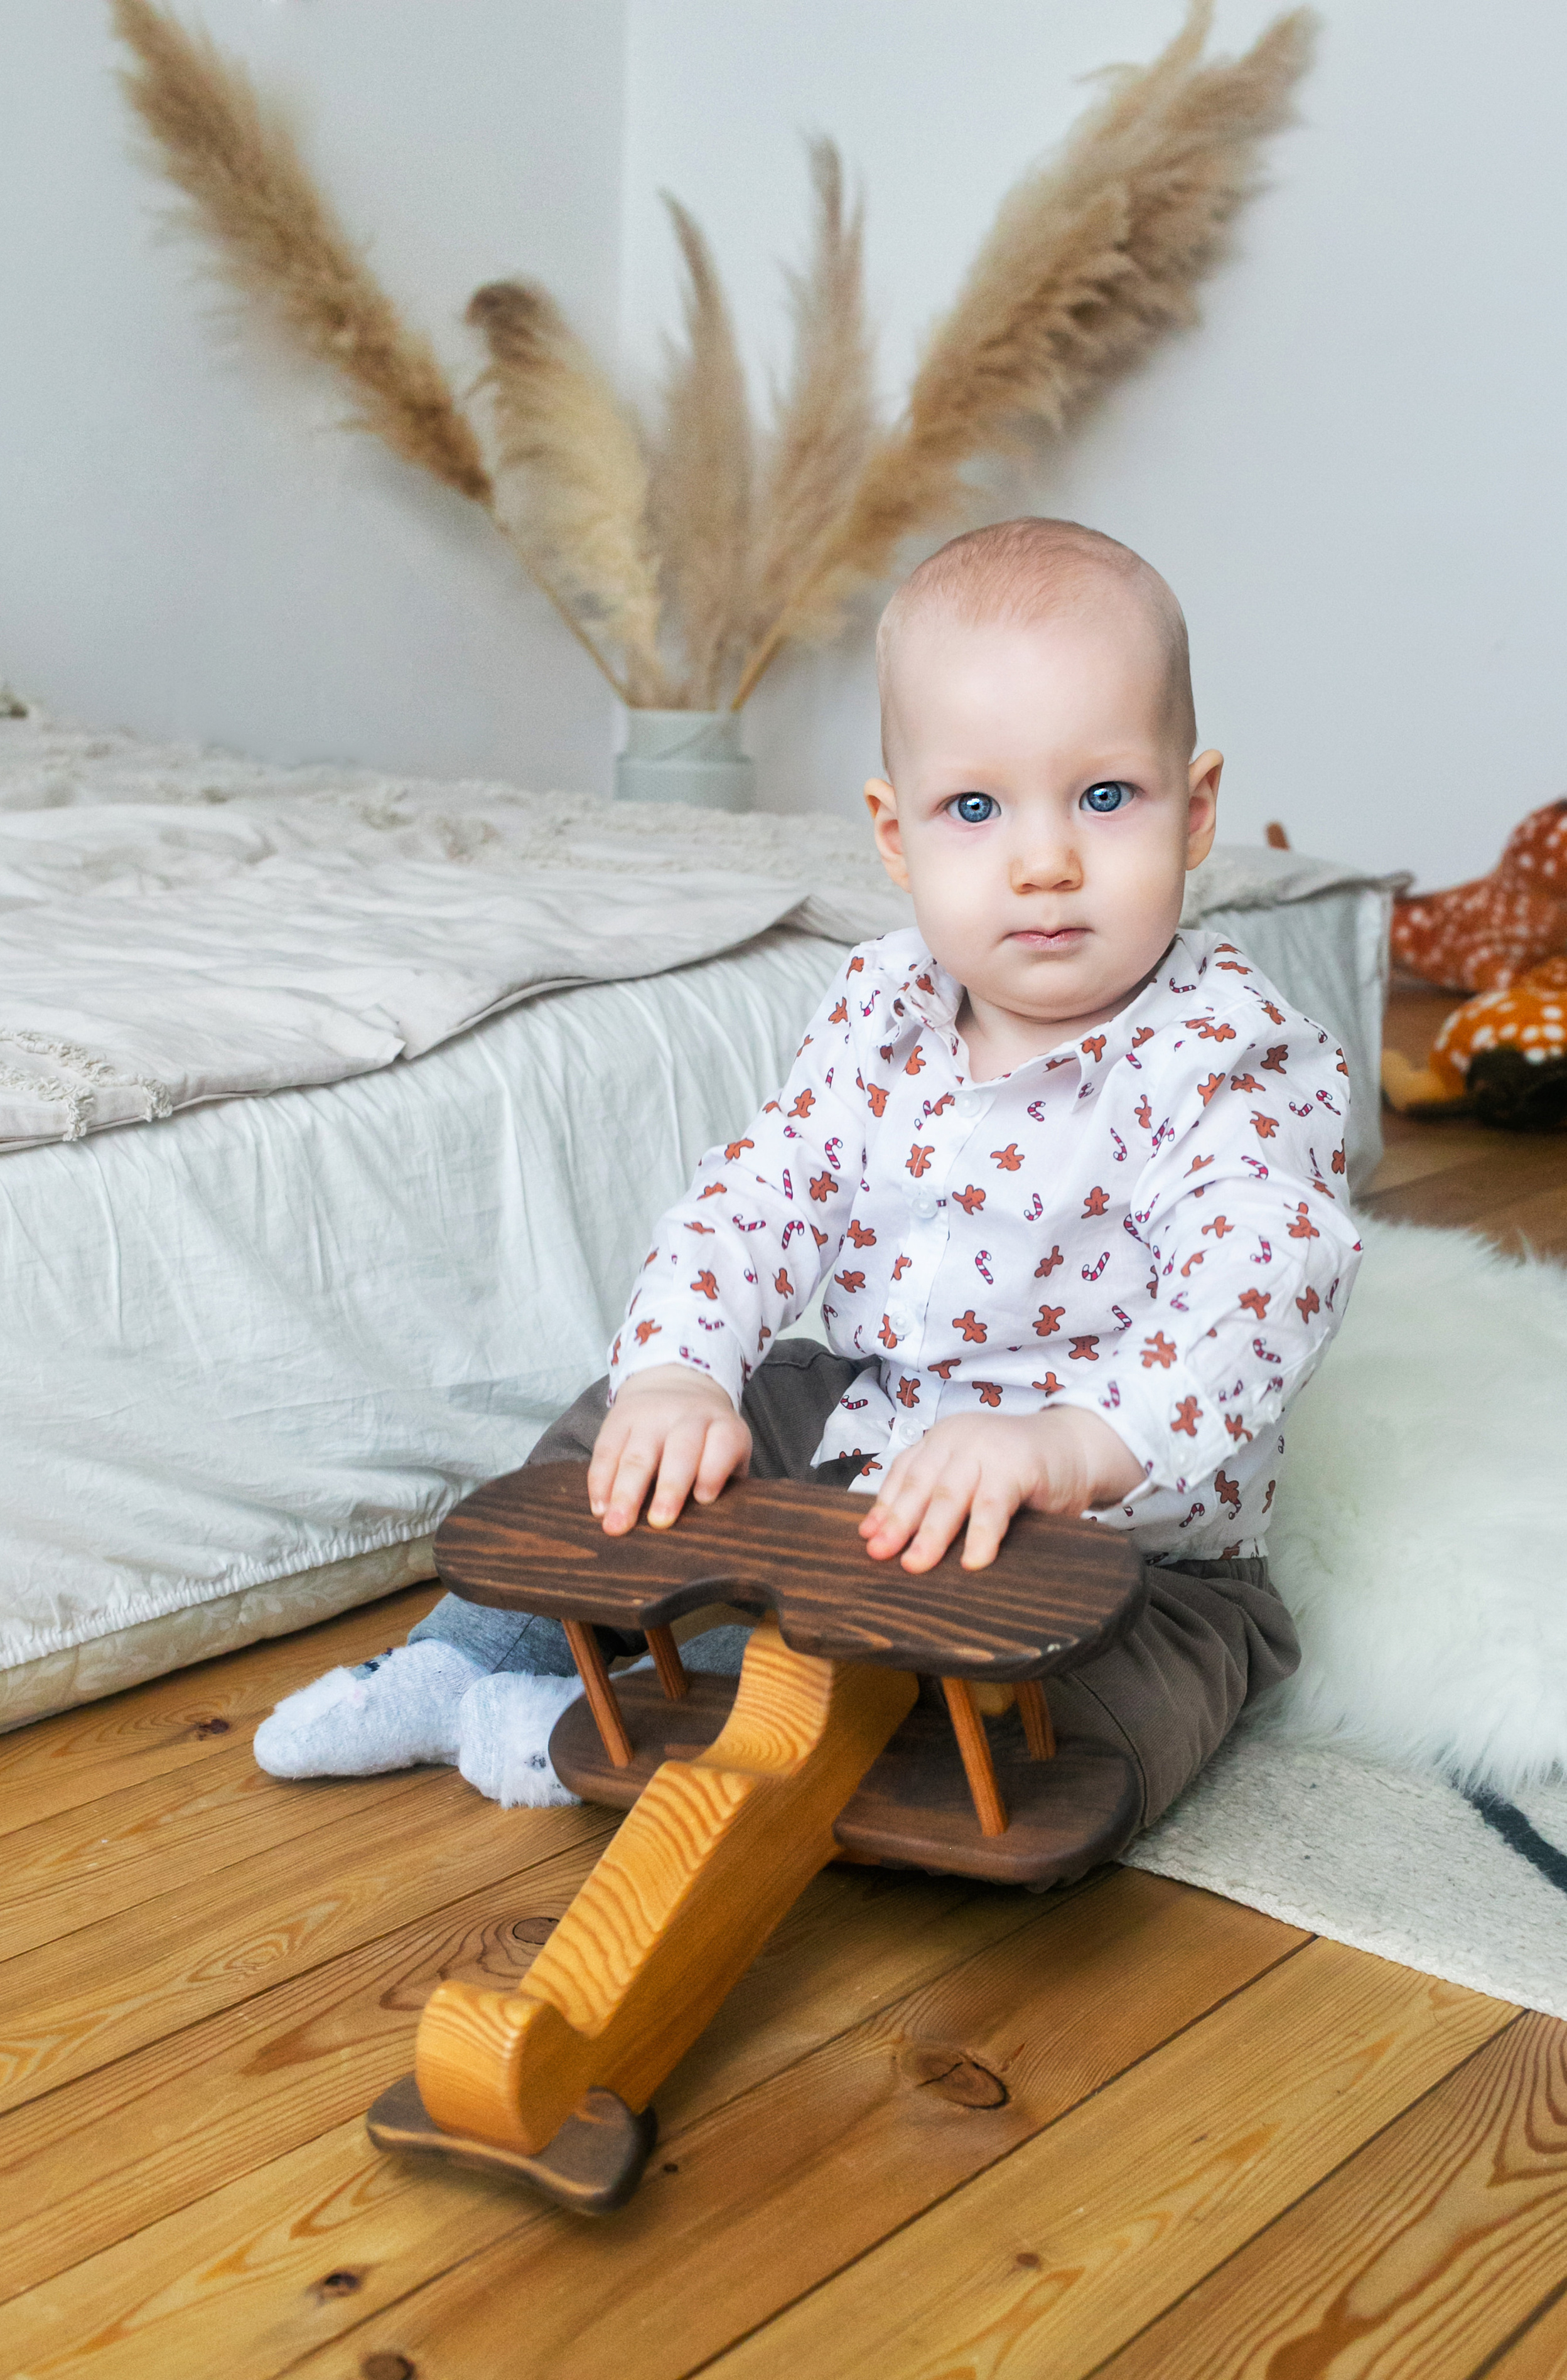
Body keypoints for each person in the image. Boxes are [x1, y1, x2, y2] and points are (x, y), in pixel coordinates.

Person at [257, 517, 1361, 1847]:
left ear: (1195, 809)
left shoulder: (1228, 1053)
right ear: (894, 837)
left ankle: (671, 1734)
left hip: (1129, 1536)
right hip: (866, 1418)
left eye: (1104, 797)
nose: (1043, 860)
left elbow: (1257, 1292)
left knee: (1073, 1753)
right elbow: (763, 1194)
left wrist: (1069, 1445)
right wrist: (680, 1368)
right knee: (635, 1425)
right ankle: (470, 1659)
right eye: (974, 808)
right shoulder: (882, 1003)